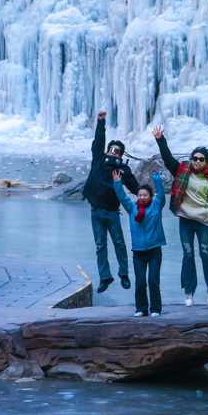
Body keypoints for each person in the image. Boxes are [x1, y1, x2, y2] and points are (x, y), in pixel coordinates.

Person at [153, 126, 208, 306]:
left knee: (205, 254)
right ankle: (189, 292)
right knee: (188, 254)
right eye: (195, 158)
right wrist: (160, 140)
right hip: (185, 219)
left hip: (204, 220)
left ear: (206, 162)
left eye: (201, 159)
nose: (197, 161)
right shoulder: (182, 171)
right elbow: (168, 159)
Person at [82, 111, 139, 294]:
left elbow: (136, 187)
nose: (113, 153)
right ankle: (105, 277)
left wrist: (150, 198)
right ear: (107, 151)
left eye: (117, 151)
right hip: (96, 211)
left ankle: (124, 274)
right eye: (111, 150)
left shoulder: (122, 170)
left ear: (121, 156)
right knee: (100, 245)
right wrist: (101, 122)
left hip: (112, 212)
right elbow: (98, 141)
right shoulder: (98, 159)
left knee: (119, 243)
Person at [113, 169, 166, 317]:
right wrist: (117, 183)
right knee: (140, 282)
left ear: (150, 196)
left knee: (153, 281)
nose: (142, 197)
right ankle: (141, 309)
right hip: (138, 252)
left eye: (145, 195)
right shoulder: (132, 208)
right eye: (140, 195)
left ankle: (155, 309)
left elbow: (161, 194)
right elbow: (122, 197)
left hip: (154, 250)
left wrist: (156, 177)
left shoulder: (156, 206)